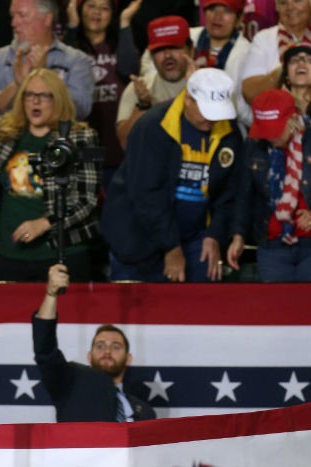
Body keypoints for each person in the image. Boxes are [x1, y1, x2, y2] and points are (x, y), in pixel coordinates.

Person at [101, 68, 243, 283]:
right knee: (139, 313)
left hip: (195, 237)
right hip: (138, 237)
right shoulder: (152, 127)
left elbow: (229, 191)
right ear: (188, 99)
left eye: (218, 112)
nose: (212, 119)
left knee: (197, 309)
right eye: (207, 111)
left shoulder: (228, 132)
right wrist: (171, 247)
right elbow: (146, 194)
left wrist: (215, 234)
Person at [227, 89, 311, 282]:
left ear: (293, 119)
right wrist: (238, 236)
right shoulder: (253, 146)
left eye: (274, 130)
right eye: (265, 131)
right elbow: (244, 196)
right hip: (272, 246)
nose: (269, 137)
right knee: (276, 308)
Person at [0, 69, 99, 281]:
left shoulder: (83, 137)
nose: (35, 102)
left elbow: (88, 201)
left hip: (62, 253)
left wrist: (44, 223)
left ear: (57, 99)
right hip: (10, 253)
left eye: (44, 95)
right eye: (29, 95)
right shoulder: (6, 136)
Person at [34, 264, 156, 422]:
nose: (107, 351)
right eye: (100, 346)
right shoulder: (70, 382)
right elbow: (45, 350)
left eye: (116, 347)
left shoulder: (145, 412)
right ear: (89, 356)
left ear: (128, 358)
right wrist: (51, 294)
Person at [63, 0, 141, 186]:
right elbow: (60, 74)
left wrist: (124, 22)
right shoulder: (71, 47)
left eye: (104, 8)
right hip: (80, 147)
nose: (97, 13)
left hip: (116, 149)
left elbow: (129, 70)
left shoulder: (120, 46)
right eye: (91, 6)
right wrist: (72, 26)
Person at [0, 0, 94, 125]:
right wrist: (17, 85)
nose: (13, 23)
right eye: (12, 16)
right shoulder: (1, 58)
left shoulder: (76, 60)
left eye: (22, 15)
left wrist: (44, 77)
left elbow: (81, 110)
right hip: (9, 142)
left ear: (47, 19)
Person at [139, 0, 252, 127]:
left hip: (224, 125)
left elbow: (244, 111)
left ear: (239, 17)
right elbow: (149, 58)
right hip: (172, 114)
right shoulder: (189, 35)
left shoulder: (247, 53)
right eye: (212, 9)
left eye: (227, 11)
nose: (217, 16)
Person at [239, 0, 311, 106]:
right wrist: (284, 70)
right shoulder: (263, 38)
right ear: (277, 8)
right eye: (283, 3)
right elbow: (250, 94)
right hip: (276, 125)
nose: (290, 7)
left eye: (297, 1)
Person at [115, 15, 192, 151]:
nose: (168, 55)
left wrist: (195, 90)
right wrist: (143, 106)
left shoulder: (211, 86)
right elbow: (125, 143)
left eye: (174, 47)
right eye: (160, 50)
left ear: (190, 50)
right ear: (151, 56)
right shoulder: (138, 88)